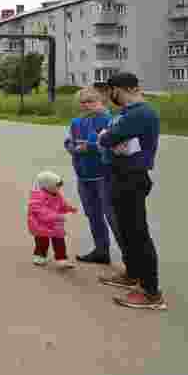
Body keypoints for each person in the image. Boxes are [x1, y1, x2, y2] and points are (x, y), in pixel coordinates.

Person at [97, 72, 165, 310]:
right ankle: (133, 274)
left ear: (120, 89)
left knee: (137, 234)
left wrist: (107, 137)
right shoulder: (127, 114)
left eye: (110, 91)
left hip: (132, 178)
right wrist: (108, 137)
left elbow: (107, 138)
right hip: (120, 176)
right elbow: (109, 137)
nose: (109, 95)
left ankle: (151, 292)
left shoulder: (141, 113)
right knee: (127, 231)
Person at [64, 87, 119, 264]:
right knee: (93, 215)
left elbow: (115, 145)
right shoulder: (76, 122)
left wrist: (91, 147)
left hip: (104, 175)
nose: (86, 105)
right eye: (83, 102)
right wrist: (73, 148)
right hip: (83, 175)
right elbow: (68, 142)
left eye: (90, 101)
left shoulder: (109, 120)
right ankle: (101, 251)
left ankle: (130, 259)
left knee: (113, 217)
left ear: (100, 101)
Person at [27, 171, 79, 269]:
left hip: (55, 224)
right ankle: (40, 256)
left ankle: (61, 259)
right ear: (47, 186)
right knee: (42, 241)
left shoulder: (56, 194)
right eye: (56, 187)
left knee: (59, 241)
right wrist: (57, 216)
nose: (59, 189)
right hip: (41, 224)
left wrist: (68, 208)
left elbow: (62, 204)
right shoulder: (37, 197)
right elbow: (41, 212)